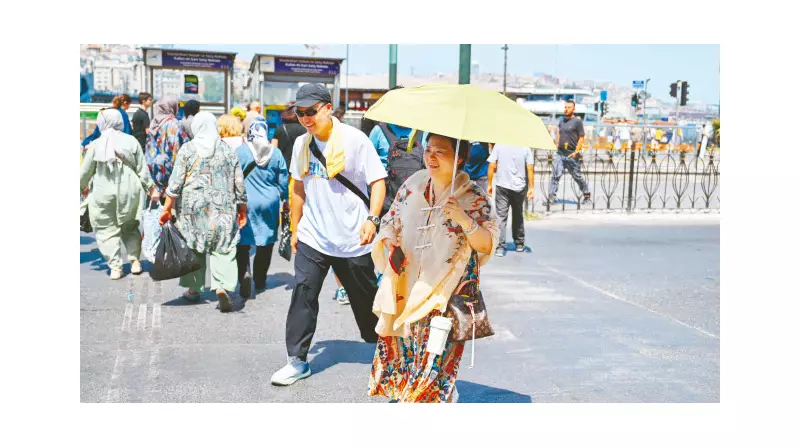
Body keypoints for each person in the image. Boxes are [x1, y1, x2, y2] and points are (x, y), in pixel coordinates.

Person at [270, 83, 387, 386]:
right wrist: (295, 229)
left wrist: (373, 219)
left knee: (366, 302)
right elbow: (297, 187)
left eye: (311, 112)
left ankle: (384, 350)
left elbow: (378, 182)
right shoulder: (301, 144)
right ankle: (297, 360)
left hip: (352, 238)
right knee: (303, 292)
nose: (306, 118)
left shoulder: (355, 140)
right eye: (300, 113)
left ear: (327, 108)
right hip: (314, 236)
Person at [368, 133, 500, 403]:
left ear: (459, 157)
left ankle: (434, 397)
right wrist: (391, 242)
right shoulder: (413, 184)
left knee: (433, 362)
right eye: (428, 150)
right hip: (407, 287)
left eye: (440, 151)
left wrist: (464, 219)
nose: (431, 157)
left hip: (445, 294)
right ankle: (438, 396)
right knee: (410, 355)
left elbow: (486, 244)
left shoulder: (473, 197)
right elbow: (390, 221)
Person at [159, 112, 248, 313]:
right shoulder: (227, 150)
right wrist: (242, 208)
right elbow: (239, 184)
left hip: (193, 208)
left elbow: (175, 184)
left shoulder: (187, 150)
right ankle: (222, 286)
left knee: (194, 246)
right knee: (223, 247)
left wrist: (166, 209)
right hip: (223, 207)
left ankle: (193, 289)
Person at [80, 109, 155, 280]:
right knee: (130, 226)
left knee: (106, 229)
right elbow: (142, 169)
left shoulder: (96, 144)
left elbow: (85, 172)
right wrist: (151, 188)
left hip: (103, 191)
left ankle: (115, 267)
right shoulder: (131, 141)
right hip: (130, 190)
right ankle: (135, 261)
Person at [233, 118, 289, 298]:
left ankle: (244, 274)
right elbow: (283, 181)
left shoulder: (241, 151)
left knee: (243, 240)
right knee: (266, 241)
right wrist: (285, 199)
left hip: (246, 202)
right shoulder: (276, 153)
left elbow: (233, 176)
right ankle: (260, 278)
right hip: (269, 202)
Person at [487, 144, 535, 256]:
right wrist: (532, 187)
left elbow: (492, 165)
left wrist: (489, 184)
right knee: (518, 214)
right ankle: (519, 243)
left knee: (501, 216)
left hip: (502, 185)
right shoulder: (525, 147)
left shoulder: (499, 145)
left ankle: (500, 247)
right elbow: (530, 167)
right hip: (519, 186)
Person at [146, 95, 189, 205]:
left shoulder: (154, 124)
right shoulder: (175, 124)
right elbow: (183, 148)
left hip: (154, 172)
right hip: (170, 173)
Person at [547, 100, 591, 205]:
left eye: (569, 107)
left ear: (574, 109)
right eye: (565, 107)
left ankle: (587, 194)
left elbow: (581, 137)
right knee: (555, 175)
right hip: (560, 154)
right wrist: (556, 144)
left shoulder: (577, 122)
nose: (566, 109)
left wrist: (577, 151)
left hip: (572, 155)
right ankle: (551, 197)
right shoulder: (562, 121)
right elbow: (559, 133)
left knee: (577, 176)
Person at [271, 102, 306, 169]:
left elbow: (273, 149)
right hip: (299, 166)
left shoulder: (280, 129)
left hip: (283, 166)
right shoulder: (304, 129)